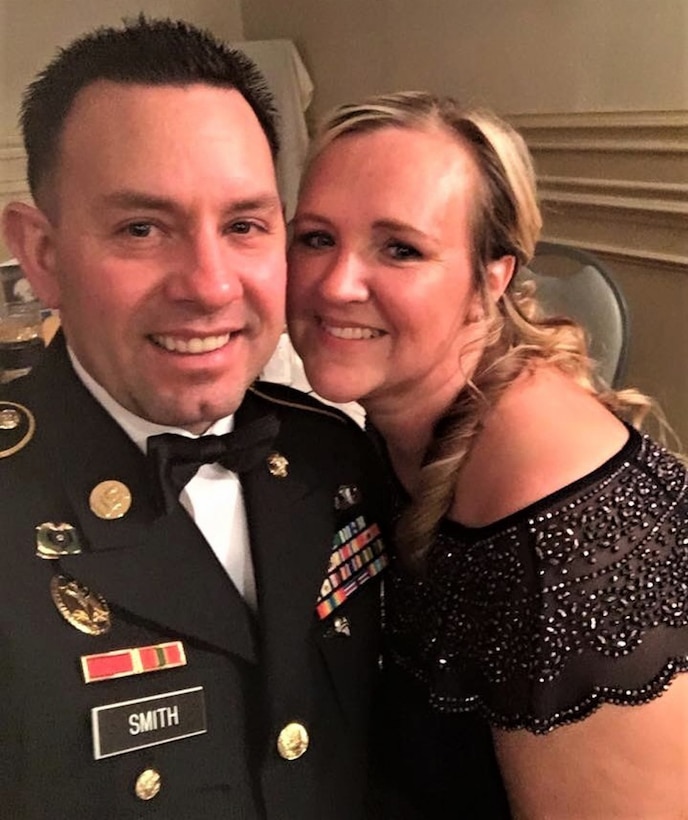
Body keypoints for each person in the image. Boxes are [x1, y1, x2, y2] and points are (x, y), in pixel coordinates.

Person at [0, 19, 388, 819]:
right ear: (41, 255)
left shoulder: (334, 453)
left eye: (244, 226)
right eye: (142, 229)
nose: (211, 287)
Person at [287, 90, 688, 818]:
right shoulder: (398, 415)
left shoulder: (557, 523)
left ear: (491, 278)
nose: (335, 284)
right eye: (315, 237)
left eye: (400, 248)